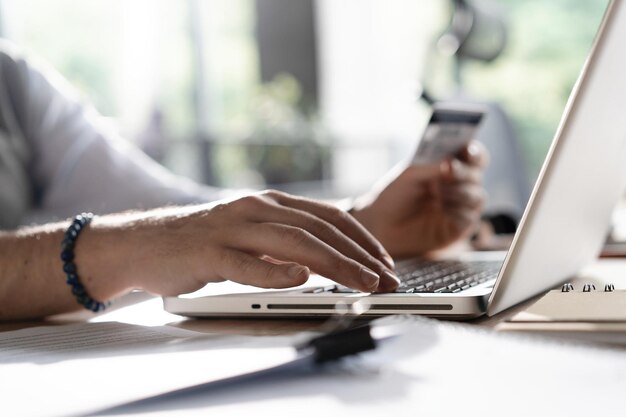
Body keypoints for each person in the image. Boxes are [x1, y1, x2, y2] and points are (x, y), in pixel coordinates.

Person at [0, 41, 488, 321]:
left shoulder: (12, 81)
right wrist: (126, 249)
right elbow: (153, 235)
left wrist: (362, 222)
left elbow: (170, 210)